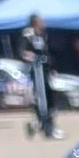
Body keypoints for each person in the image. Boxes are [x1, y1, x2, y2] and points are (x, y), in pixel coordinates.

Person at [21, 11, 58, 139]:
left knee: (49, 98)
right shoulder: (28, 34)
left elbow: (46, 52)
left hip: (45, 70)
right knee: (41, 100)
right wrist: (30, 56)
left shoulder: (43, 35)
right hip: (36, 71)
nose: (43, 24)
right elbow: (23, 52)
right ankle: (45, 127)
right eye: (40, 21)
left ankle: (40, 125)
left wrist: (52, 66)